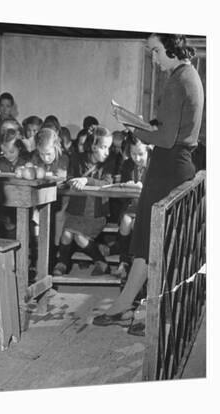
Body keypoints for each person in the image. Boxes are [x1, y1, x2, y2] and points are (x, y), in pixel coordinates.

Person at [93, 34, 204, 334]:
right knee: (147, 240)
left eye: (156, 51)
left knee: (156, 243)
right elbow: (170, 129)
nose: (154, 58)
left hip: (169, 168)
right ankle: (129, 304)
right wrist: (146, 125)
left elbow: (166, 139)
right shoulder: (188, 74)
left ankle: (150, 311)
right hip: (172, 166)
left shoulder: (178, 79)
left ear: (171, 47)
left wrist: (133, 127)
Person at [53, 125, 114, 276]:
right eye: (103, 147)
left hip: (96, 214)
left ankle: (101, 262)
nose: (107, 152)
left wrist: (86, 180)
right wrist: (71, 181)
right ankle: (63, 263)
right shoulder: (77, 159)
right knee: (66, 234)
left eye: (109, 148)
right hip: (76, 211)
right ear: (93, 146)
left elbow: (107, 183)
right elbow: (69, 178)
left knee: (79, 237)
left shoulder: (108, 163)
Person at [111, 134, 151, 279]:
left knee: (135, 224)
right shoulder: (128, 164)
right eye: (133, 154)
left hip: (147, 206)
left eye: (140, 154)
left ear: (149, 149)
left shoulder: (155, 165)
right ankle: (124, 260)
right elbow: (123, 185)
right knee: (126, 221)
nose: (137, 158)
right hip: (130, 205)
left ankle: (133, 261)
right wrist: (127, 185)